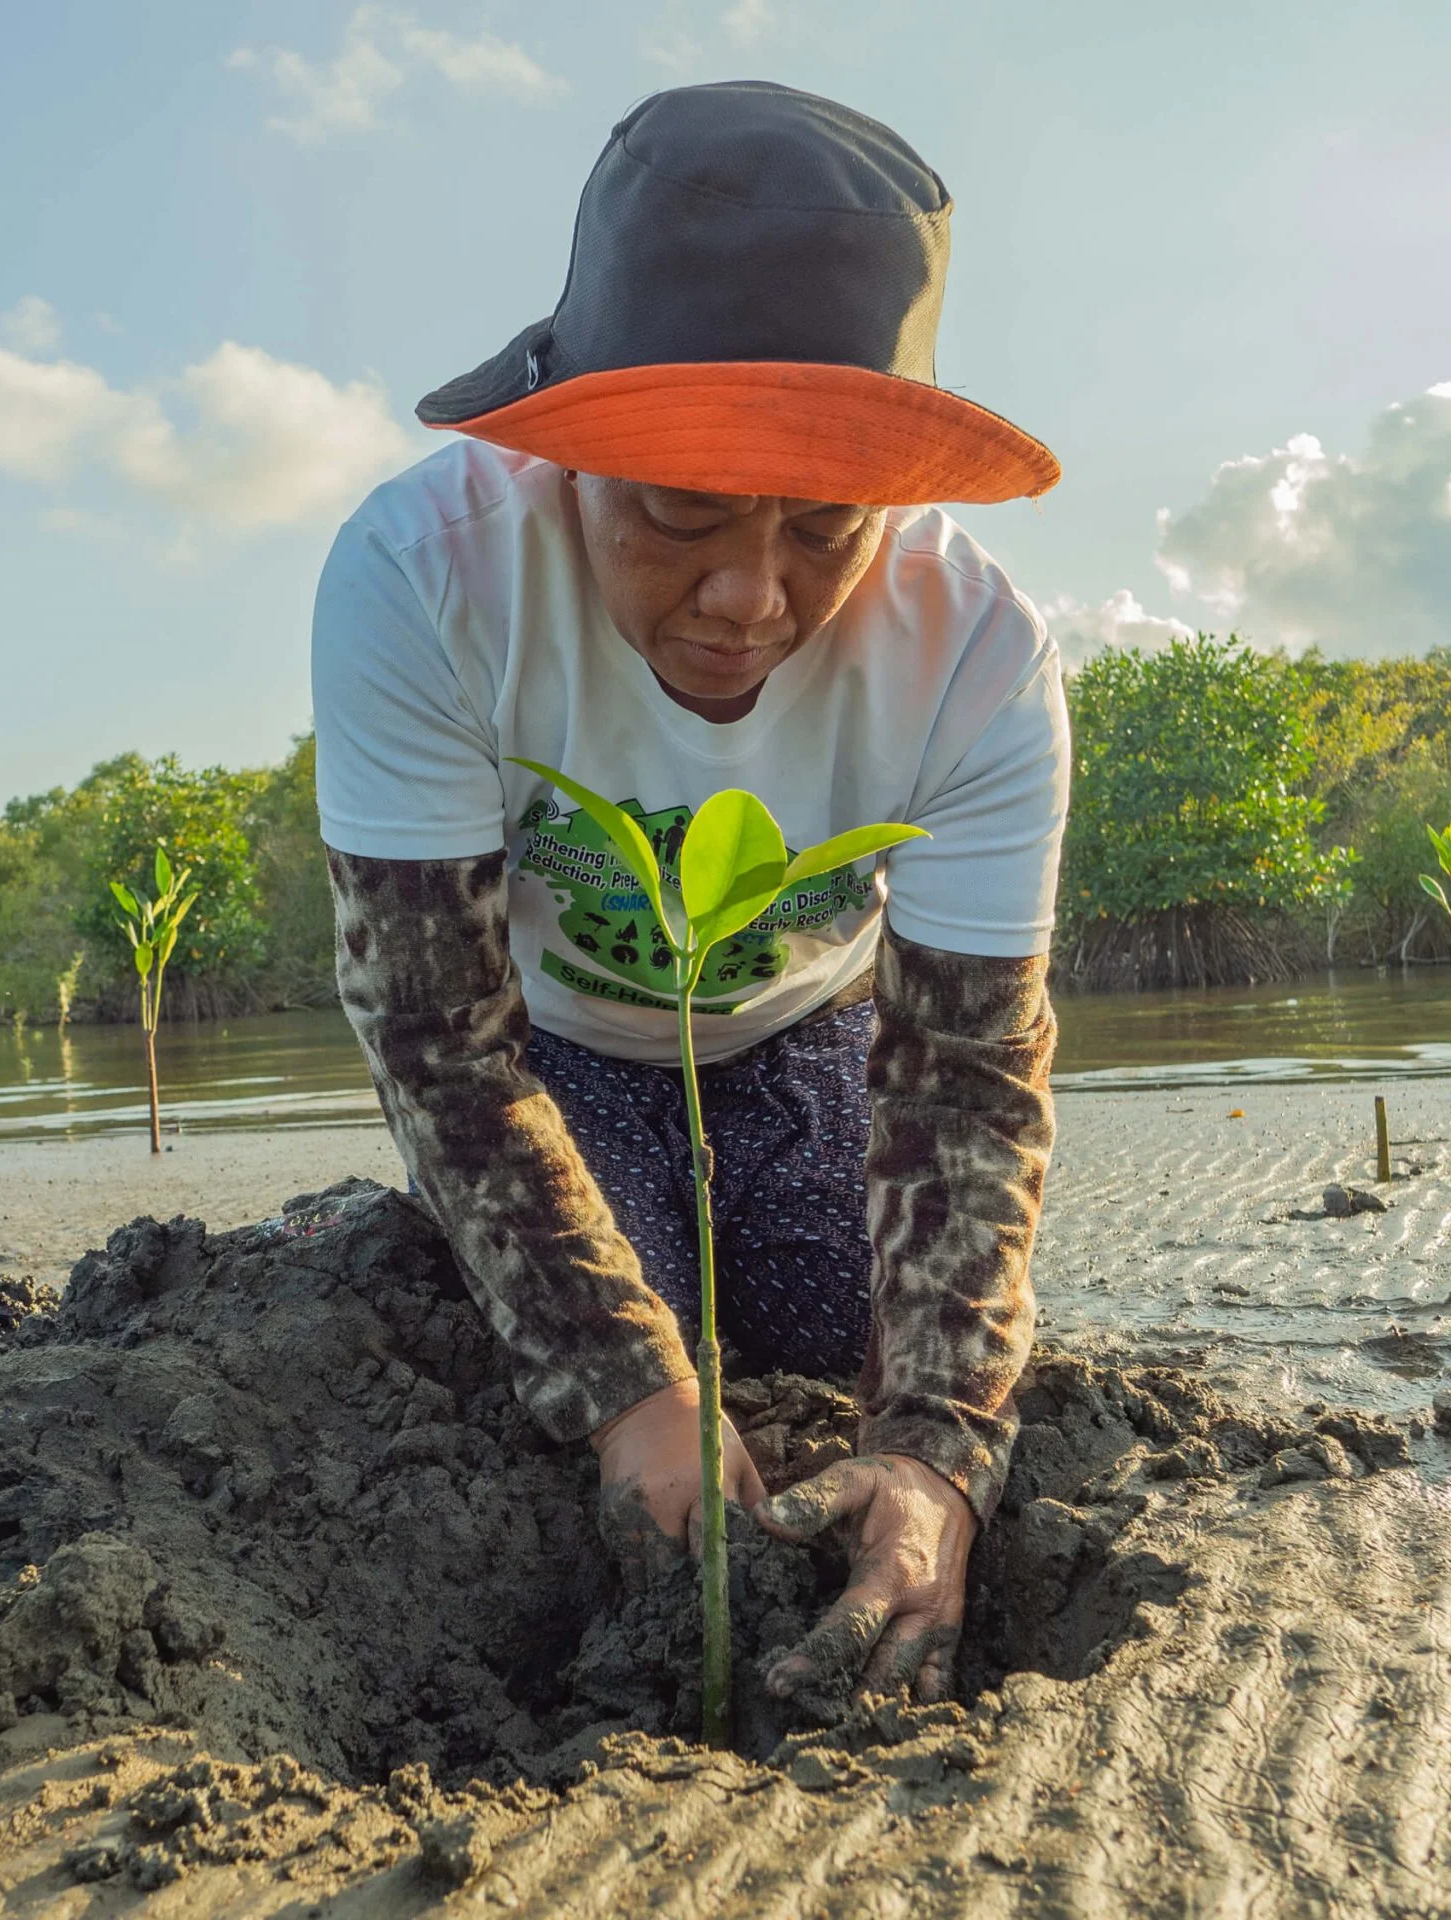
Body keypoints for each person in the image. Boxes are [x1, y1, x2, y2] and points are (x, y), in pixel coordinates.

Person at [312, 80, 1066, 1705]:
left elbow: (969, 1080)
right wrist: (626, 1383)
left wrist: (937, 1458)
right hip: (556, 1043)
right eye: (679, 511)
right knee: (588, 1373)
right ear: (574, 452)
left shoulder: (982, 659)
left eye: (822, 531)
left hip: (807, 1039)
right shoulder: (424, 575)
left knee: (846, 1330)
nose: (748, 598)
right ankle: (366, 1236)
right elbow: (438, 1029)